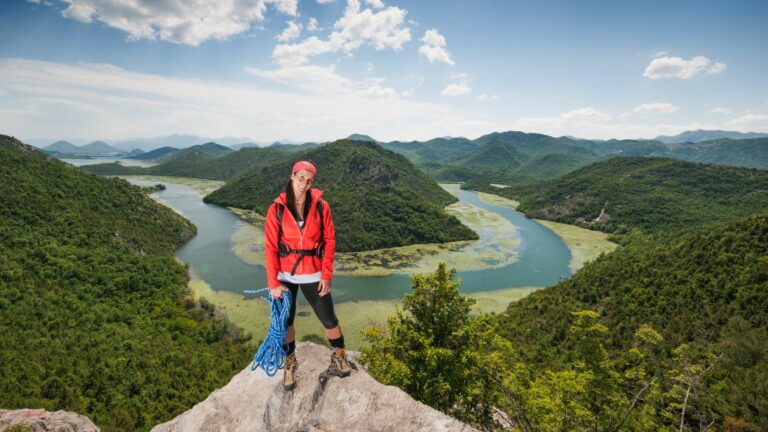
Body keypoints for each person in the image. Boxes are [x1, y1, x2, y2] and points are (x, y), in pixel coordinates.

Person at [264, 160, 352, 391]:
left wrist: (326, 274)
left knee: (328, 318)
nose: (304, 183)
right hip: (285, 273)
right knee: (286, 321)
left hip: (314, 272)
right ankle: (290, 362)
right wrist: (273, 283)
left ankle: (339, 354)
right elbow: (271, 247)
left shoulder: (321, 207)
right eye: (301, 178)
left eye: (309, 180)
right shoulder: (277, 209)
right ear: (292, 176)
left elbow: (330, 241)